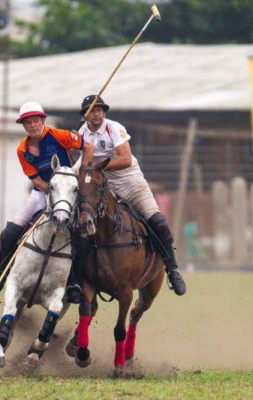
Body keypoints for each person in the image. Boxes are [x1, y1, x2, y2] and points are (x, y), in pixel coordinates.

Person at [75, 95, 186, 295]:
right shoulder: (81, 134)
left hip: (130, 182)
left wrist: (99, 166)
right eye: (92, 110)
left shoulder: (114, 128)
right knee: (81, 221)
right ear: (85, 115)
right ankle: (76, 277)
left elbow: (125, 159)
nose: (96, 114)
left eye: (99, 110)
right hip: (104, 184)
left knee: (158, 222)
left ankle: (172, 269)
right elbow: (84, 165)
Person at [0, 102, 94, 301]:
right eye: (28, 122)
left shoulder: (59, 135)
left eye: (36, 121)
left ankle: (74, 282)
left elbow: (88, 146)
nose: (33, 125)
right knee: (10, 231)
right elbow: (35, 179)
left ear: (42, 120)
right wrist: (53, 191)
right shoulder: (22, 150)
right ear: (24, 125)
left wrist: (80, 172)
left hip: (68, 193)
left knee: (82, 235)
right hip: (41, 193)